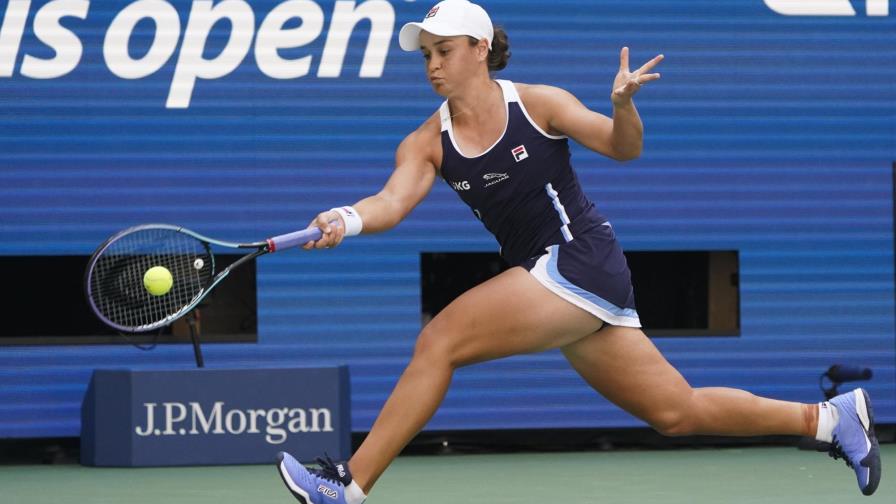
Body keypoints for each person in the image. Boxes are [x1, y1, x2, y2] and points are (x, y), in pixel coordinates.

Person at [274, 1, 881, 502]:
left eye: (445, 50)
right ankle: (831, 420)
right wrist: (347, 218)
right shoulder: (427, 142)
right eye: (427, 55)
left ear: (481, 49)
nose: (433, 65)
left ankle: (348, 485)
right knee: (676, 411)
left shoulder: (538, 104)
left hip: (580, 258)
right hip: (549, 279)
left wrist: (622, 106)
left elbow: (624, 148)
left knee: (440, 341)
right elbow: (392, 201)